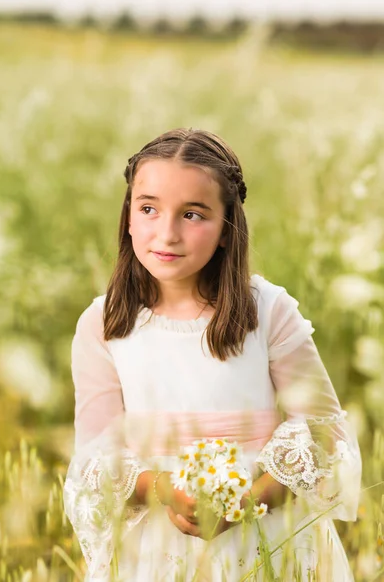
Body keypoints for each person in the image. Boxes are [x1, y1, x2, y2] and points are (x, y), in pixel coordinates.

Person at [63, 128, 362, 581]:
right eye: (148, 209)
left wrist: (254, 497)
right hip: (154, 550)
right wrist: (162, 488)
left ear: (227, 228)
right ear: (128, 217)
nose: (167, 233)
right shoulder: (103, 325)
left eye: (192, 215)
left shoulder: (267, 310)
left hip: (266, 536)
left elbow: (326, 434)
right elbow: (95, 460)